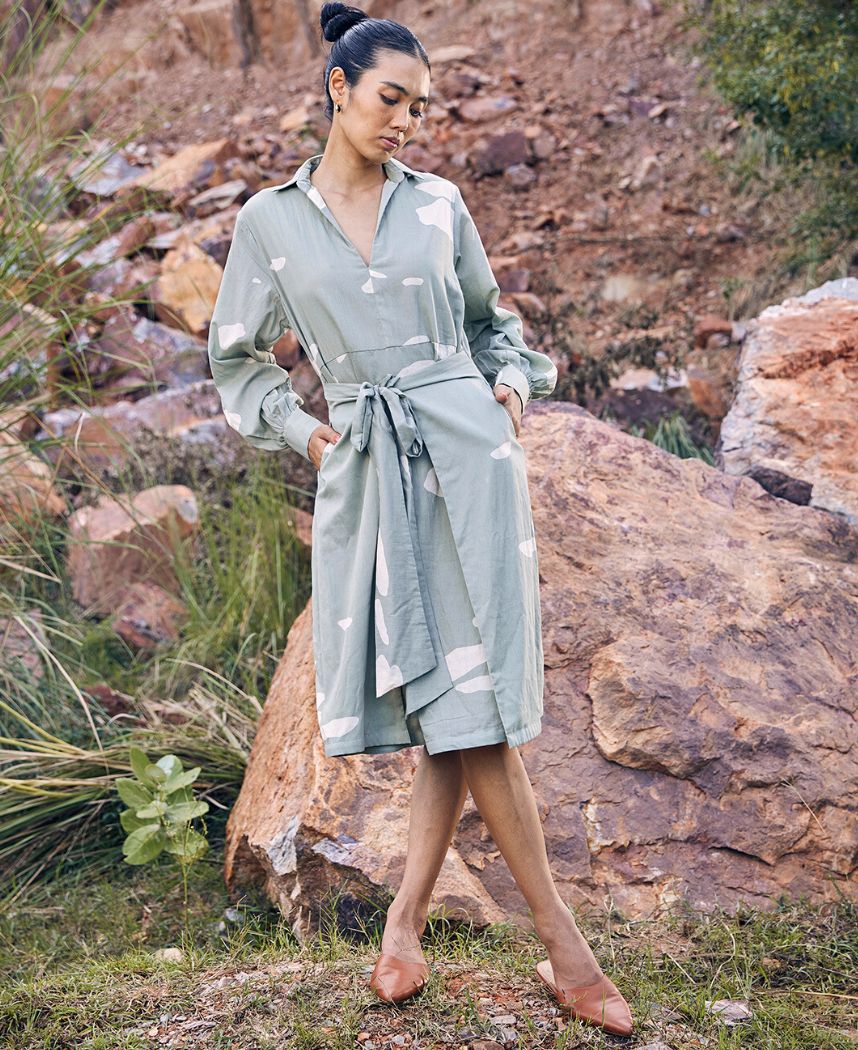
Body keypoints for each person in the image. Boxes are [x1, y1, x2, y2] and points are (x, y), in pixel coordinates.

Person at [207, 1, 633, 1037]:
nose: (407, 121)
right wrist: (308, 434)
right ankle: (417, 928)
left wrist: (511, 393)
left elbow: (495, 328)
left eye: (422, 107)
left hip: (468, 466)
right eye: (392, 99)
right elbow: (237, 359)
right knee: (452, 705)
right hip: (370, 472)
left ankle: (559, 947)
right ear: (338, 88)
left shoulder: (439, 204)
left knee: (467, 703)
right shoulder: (269, 223)